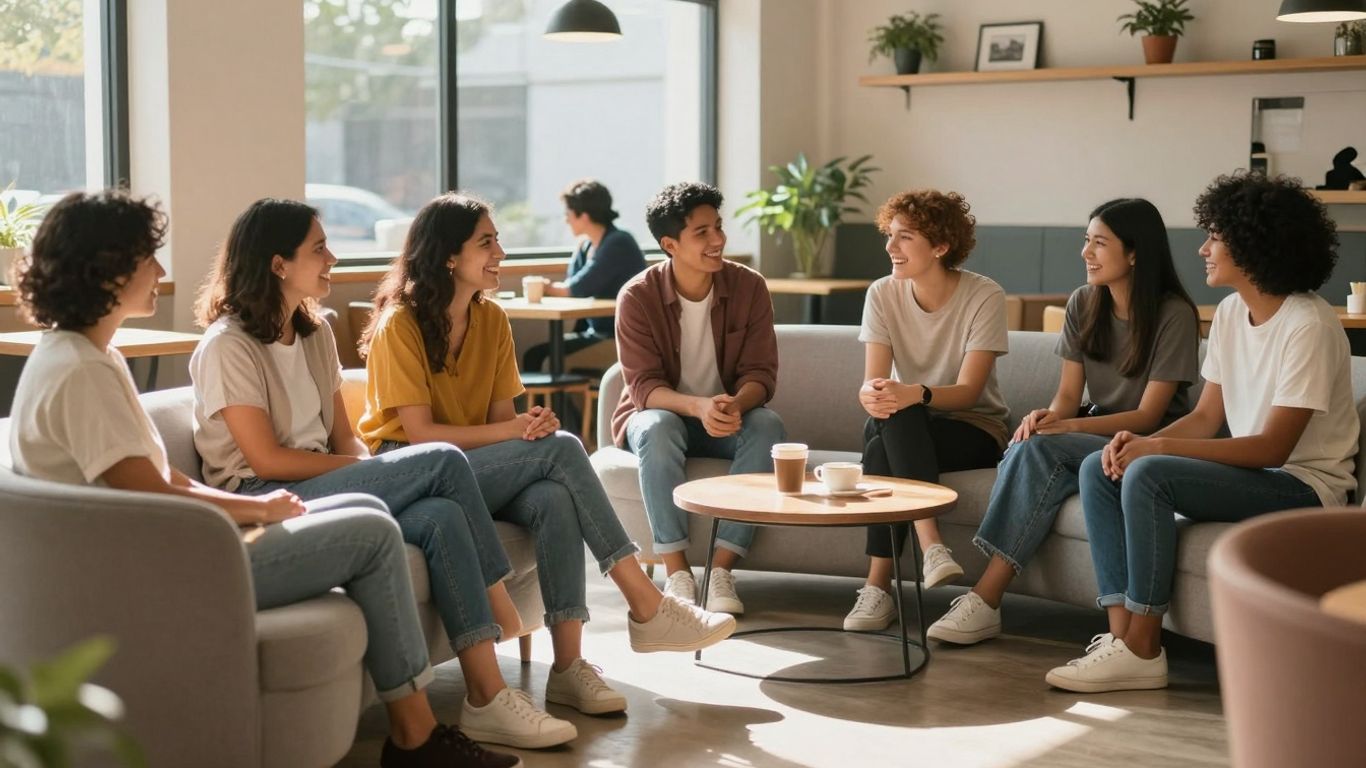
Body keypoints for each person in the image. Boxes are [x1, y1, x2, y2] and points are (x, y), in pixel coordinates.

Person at [6, 190, 520, 768]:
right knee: (378, 529)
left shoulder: (88, 359)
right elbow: (145, 493)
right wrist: (252, 510)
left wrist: (261, 509)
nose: (161, 271)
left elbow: (156, 477)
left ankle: (419, 733)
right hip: (163, 564)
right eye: (148, 257)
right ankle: (418, 737)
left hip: (170, 546)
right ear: (106, 268)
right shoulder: (81, 370)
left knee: (401, 518)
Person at [190, 198, 579, 749]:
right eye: (318, 248)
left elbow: (343, 434)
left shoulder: (315, 332)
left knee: (441, 512)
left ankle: (487, 698)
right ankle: (496, 597)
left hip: (320, 480)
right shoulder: (228, 345)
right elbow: (266, 461)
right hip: (265, 493)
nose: (332, 258)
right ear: (278, 265)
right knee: (439, 459)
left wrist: (376, 471)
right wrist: (372, 471)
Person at [357, 191, 736, 717]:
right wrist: (521, 434)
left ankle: (568, 669)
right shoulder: (401, 323)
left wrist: (524, 429)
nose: (501, 252)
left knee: (554, 495)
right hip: (415, 472)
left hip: (471, 467)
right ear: (448, 255)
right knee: (560, 449)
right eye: (486, 242)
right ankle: (645, 604)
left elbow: (494, 422)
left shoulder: (490, 320)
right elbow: (419, 433)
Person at [1048, 173, 1359, 693]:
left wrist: (1159, 446)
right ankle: (1121, 637)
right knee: (1100, 467)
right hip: (1257, 473)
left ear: (1253, 242)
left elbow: (1274, 447)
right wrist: (1138, 442)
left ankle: (1145, 649)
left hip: (1304, 486)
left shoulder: (1309, 324)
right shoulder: (1233, 313)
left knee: (1148, 474)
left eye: (1215, 236)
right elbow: (1204, 417)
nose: (1203, 248)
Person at [926, 198, 1200, 646]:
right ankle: (984, 600)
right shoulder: (1083, 303)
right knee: (1028, 441)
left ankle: (986, 597)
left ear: (1134, 253)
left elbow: (1150, 414)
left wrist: (1067, 429)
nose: (1085, 253)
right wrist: (1048, 415)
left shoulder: (1173, 314)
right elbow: (1069, 397)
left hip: (1144, 441)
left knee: (1042, 449)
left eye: (1099, 243)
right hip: (1093, 432)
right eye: (1085, 241)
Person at [614, 182, 787, 614]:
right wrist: (698, 406)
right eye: (702, 233)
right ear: (670, 244)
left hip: (726, 418)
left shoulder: (749, 287)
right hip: (661, 414)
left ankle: (722, 570)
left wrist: (735, 404)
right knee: (658, 425)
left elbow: (761, 374)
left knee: (768, 424)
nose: (718, 241)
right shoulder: (637, 296)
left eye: (719, 228)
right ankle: (677, 573)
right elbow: (644, 388)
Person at [841, 190, 1010, 633]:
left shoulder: (984, 294)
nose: (890, 247)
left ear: (940, 246)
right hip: (906, 420)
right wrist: (872, 394)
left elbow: (971, 392)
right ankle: (930, 547)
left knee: (884, 441)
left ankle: (879, 588)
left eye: (905, 237)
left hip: (974, 429)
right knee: (890, 420)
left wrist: (913, 393)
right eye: (889, 235)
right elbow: (874, 381)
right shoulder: (882, 293)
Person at [522, 178, 646, 374]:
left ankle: (557, 406)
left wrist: (545, 287)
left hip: (616, 336)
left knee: (541, 357)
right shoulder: (587, 245)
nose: (566, 219)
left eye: (568, 213)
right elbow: (574, 285)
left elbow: (576, 289)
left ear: (584, 216)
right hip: (595, 332)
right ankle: (549, 406)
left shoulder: (618, 242)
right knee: (534, 356)